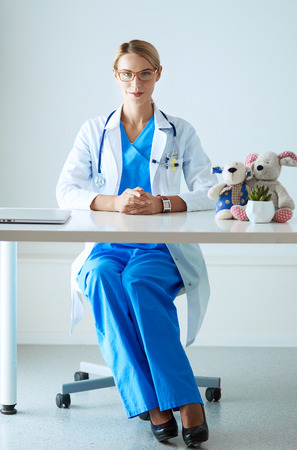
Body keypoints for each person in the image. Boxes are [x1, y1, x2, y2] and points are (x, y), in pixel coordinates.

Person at [56, 39, 217, 446]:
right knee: (101, 278)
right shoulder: (94, 130)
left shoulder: (180, 131)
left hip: (159, 246)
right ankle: (157, 402)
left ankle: (182, 400)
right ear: (117, 76)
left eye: (145, 73)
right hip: (107, 246)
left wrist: (161, 203)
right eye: (127, 73)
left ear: (157, 74)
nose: (136, 82)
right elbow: (66, 190)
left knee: (139, 284)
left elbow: (210, 190)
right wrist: (115, 201)